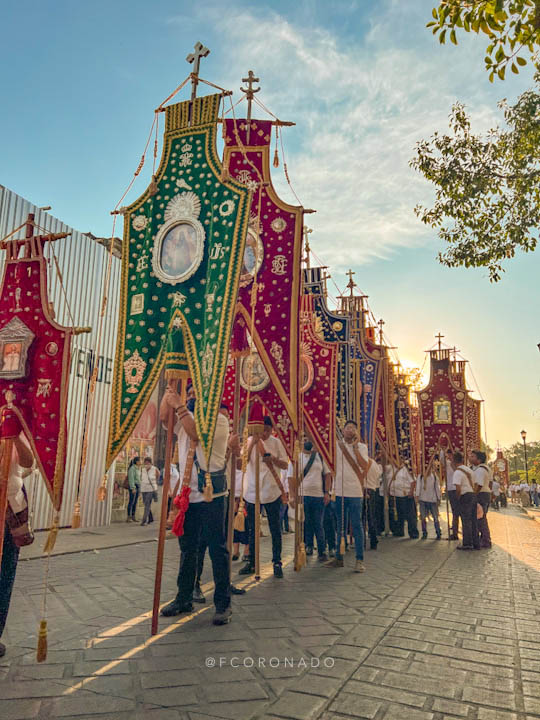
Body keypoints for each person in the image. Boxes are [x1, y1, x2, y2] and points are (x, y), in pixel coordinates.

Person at [160, 389, 238, 625]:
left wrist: (178, 404)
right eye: (191, 392)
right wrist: (168, 395)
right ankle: (183, 597)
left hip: (212, 495)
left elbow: (195, 432)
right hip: (189, 495)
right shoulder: (186, 417)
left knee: (217, 549)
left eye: (198, 391)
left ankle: (223, 604)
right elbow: (164, 419)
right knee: (188, 548)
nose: (193, 396)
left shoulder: (219, 420)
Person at [239, 416, 288, 578]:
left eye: (268, 430)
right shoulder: (249, 442)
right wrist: (253, 443)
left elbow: (285, 464)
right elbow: (241, 464)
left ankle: (277, 561)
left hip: (272, 491)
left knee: (275, 528)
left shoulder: (276, 443)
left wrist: (272, 459)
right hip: (252, 491)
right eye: (263, 430)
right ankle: (252, 561)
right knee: (253, 529)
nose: (266, 433)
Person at [1, 433, 34, 658]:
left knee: (5, 576)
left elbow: (28, 462)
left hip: (9, 511)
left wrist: (13, 436)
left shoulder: (11, 419)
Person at [326, 420, 367, 573]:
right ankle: (339, 557)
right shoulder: (336, 446)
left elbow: (364, 466)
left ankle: (359, 559)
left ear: (356, 432)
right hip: (339, 491)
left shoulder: (362, 447)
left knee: (357, 525)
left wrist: (356, 448)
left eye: (353, 428)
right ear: (343, 431)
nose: (350, 430)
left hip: (355, 492)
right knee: (340, 526)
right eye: (348, 428)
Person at [289, 437, 331, 562]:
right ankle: (307, 546)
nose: (307, 441)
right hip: (302, 494)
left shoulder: (320, 457)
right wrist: (292, 495)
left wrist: (327, 492)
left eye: (309, 439)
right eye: (304, 438)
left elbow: (327, 474)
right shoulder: (296, 457)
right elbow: (291, 478)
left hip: (318, 495)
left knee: (318, 523)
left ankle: (322, 549)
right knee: (304, 523)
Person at [453, 451, 479, 551]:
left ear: (454, 461)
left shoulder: (457, 472)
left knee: (466, 520)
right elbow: (475, 484)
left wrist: (458, 498)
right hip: (472, 494)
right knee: (473, 520)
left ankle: (467, 543)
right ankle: (475, 542)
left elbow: (458, 488)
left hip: (465, 496)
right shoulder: (469, 471)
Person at [470, 449, 492, 549]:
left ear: (478, 460)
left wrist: (473, 495)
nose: (470, 458)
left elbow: (478, 485)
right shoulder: (486, 469)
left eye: (473, 456)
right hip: (486, 493)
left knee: (480, 518)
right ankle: (484, 539)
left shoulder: (480, 470)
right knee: (481, 517)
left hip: (481, 494)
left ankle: (485, 540)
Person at [392, 463, 419, 539]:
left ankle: (413, 533)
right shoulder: (394, 468)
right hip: (398, 495)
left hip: (407, 495)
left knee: (410, 515)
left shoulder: (406, 469)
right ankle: (400, 531)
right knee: (400, 515)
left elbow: (413, 481)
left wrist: (411, 491)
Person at [417, 467, 442, 540]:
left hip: (432, 500)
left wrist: (438, 498)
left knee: (435, 517)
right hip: (423, 499)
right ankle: (424, 533)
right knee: (423, 517)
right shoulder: (420, 476)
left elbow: (437, 488)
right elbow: (418, 487)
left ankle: (438, 532)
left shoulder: (434, 476)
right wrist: (417, 496)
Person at [365, 454, 383, 550]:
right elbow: (378, 476)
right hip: (373, 489)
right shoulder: (375, 464)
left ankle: (366, 539)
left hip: (364, 490)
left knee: (363, 517)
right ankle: (373, 539)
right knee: (371, 516)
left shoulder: (363, 463)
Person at [444, 449, 459, 540]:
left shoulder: (458, 465)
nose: (449, 457)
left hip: (457, 489)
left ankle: (457, 532)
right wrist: (443, 450)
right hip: (450, 488)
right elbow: (441, 458)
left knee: (458, 512)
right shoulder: (447, 463)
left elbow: (455, 470)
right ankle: (455, 532)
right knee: (454, 512)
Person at [140, 457, 158, 526]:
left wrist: (154, 482)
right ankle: (150, 518)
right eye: (145, 463)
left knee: (147, 504)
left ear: (150, 463)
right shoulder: (143, 469)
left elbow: (158, 475)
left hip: (151, 489)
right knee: (146, 504)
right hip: (144, 488)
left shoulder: (154, 469)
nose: (146, 465)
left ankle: (144, 520)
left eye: (148, 463)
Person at [126, 456, 141, 522]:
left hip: (138, 486)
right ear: (137, 462)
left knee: (135, 502)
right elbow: (131, 479)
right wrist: (133, 488)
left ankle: (133, 516)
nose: (141, 462)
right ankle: (128, 517)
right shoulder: (132, 469)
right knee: (131, 502)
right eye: (140, 461)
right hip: (134, 486)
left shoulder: (138, 468)